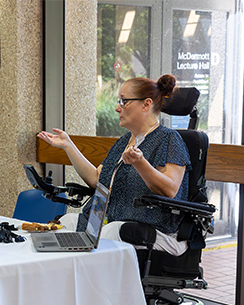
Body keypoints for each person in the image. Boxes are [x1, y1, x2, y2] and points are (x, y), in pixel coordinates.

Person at [37, 74, 191, 256]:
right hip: (116, 225)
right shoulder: (125, 141)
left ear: (146, 104)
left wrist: (140, 163)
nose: (118, 108)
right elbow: (96, 179)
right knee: (67, 222)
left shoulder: (169, 139)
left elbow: (170, 189)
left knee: (110, 232)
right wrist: (68, 146)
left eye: (124, 101)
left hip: (157, 231)